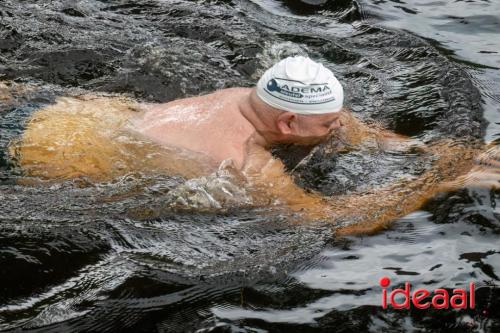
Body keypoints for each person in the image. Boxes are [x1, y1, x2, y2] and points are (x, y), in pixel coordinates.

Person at [9, 56, 496, 228]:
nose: (338, 128)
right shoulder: (241, 162)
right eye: (327, 124)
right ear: (287, 123)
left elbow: (346, 126)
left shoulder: (245, 97)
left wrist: (425, 151)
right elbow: (327, 221)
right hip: (36, 154)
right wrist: (443, 181)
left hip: (65, 109)